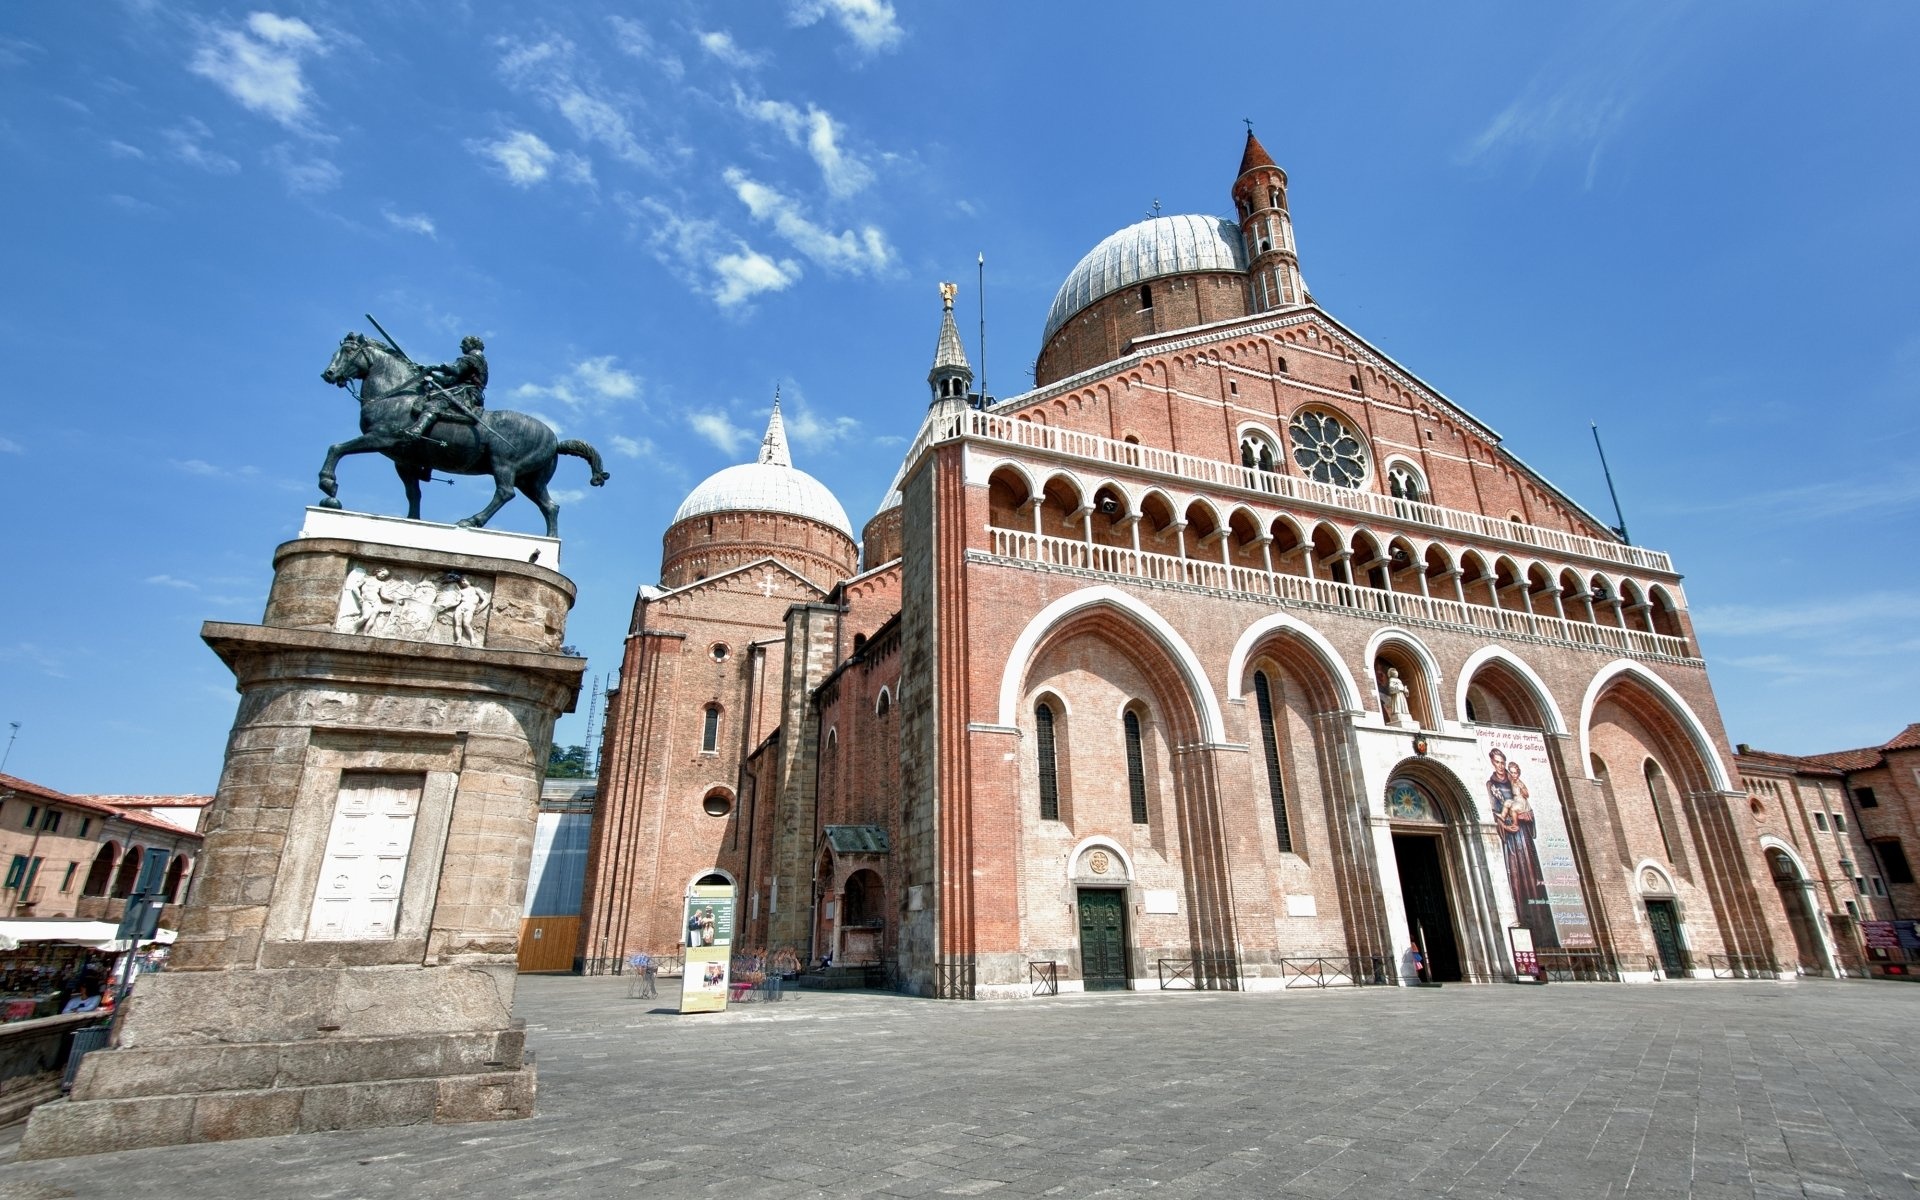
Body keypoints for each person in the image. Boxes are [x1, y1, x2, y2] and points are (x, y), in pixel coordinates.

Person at [402, 335, 488, 441]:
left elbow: (456, 369)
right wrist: (430, 373)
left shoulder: (474, 357)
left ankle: (417, 429)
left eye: (465, 343)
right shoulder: (474, 360)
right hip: (461, 389)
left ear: (473, 345)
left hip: (466, 393)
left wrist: (434, 367)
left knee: (437, 403)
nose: (461, 346)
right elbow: (448, 380)